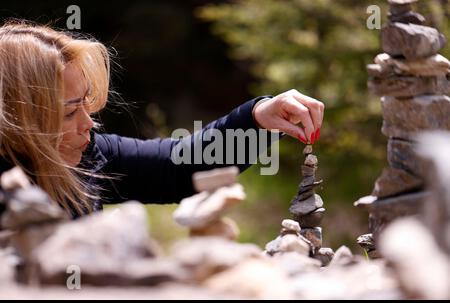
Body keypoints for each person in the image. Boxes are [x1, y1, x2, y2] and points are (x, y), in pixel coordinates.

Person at [0, 21, 324, 218]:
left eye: (86, 103)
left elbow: (177, 165)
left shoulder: (87, 156)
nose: (89, 122)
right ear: (17, 117)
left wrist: (257, 119)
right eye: (69, 112)